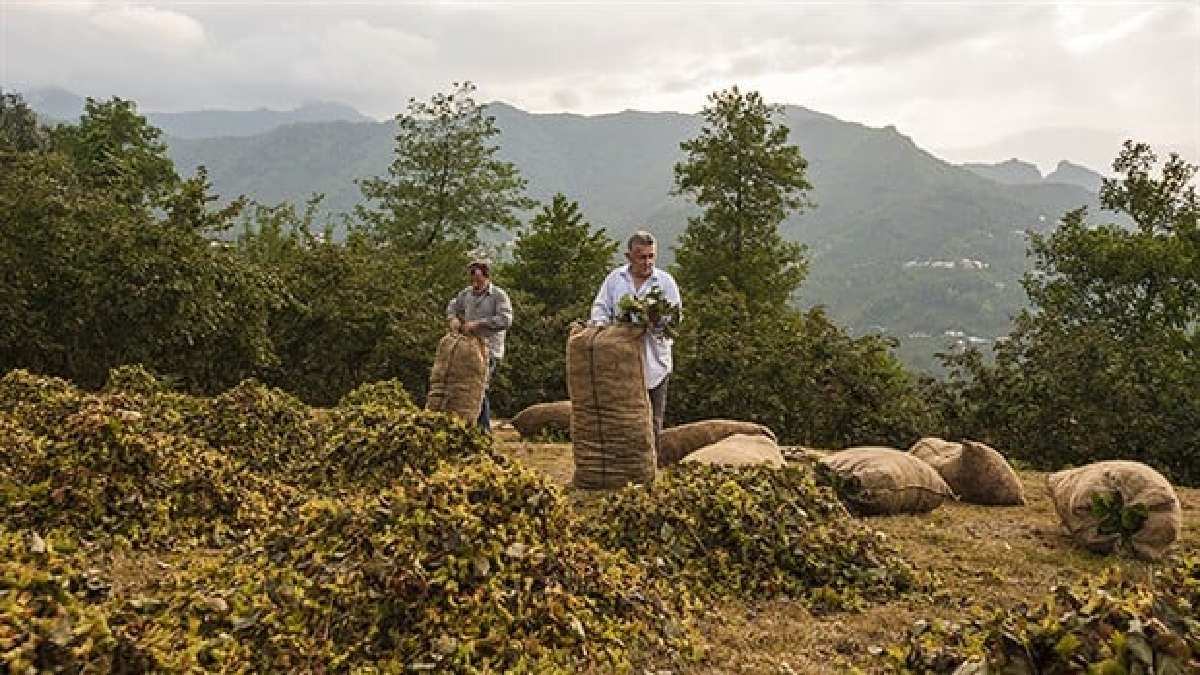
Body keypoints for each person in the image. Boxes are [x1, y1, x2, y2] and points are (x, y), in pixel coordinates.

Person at [589, 230, 682, 446]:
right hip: (620, 362)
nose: (647, 262)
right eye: (642, 257)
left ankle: (649, 466)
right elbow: (600, 307)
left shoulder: (665, 283)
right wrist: (603, 327)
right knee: (622, 418)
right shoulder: (615, 279)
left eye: (651, 256)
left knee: (652, 420)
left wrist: (655, 322)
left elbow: (675, 320)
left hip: (654, 363)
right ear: (629, 256)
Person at [446, 260, 513, 433]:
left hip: (489, 350)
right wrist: (453, 318)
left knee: (480, 387)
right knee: (466, 386)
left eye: (478, 278)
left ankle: (483, 429)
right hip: (469, 349)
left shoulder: (498, 295)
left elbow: (506, 320)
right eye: (472, 278)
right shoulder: (466, 294)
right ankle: (470, 426)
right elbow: (453, 305)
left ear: (486, 276)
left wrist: (478, 324)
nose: (474, 283)